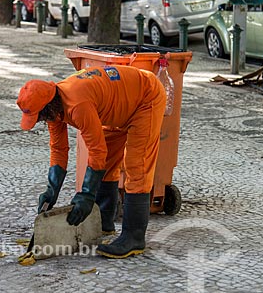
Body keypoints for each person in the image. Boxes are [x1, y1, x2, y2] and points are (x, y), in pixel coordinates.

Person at [16, 65, 166, 259]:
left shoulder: (77, 105)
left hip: (146, 98)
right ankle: (104, 222)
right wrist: (51, 190)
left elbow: (96, 151)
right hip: (118, 107)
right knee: (110, 160)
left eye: (39, 116)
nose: (40, 121)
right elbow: (58, 149)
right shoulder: (53, 108)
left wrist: (86, 194)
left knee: (138, 165)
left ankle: (134, 237)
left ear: (48, 105)